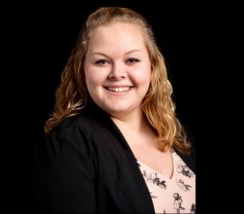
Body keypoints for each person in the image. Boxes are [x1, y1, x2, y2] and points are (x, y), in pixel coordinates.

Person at [34, 7, 196, 213]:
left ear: (152, 66)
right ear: (81, 69)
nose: (117, 73)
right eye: (102, 61)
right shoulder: (69, 144)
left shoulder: (177, 136)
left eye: (132, 60)